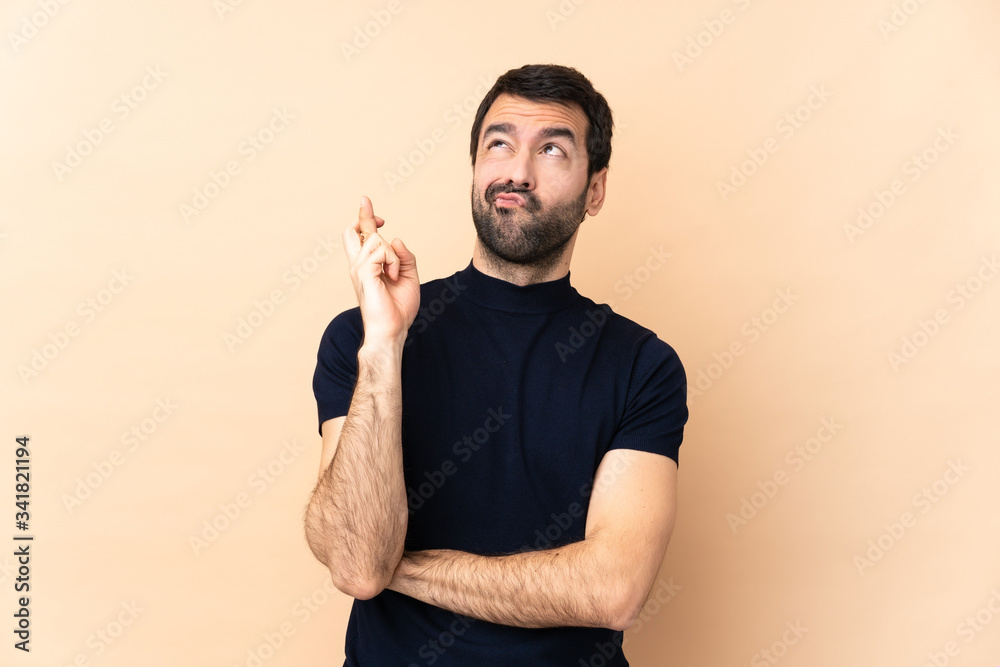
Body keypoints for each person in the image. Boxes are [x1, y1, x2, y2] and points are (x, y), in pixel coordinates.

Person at [304, 63, 688, 666]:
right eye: (499, 144)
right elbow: (356, 565)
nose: (517, 172)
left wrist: (394, 567)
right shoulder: (361, 336)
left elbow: (612, 590)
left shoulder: (643, 366)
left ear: (595, 190)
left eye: (552, 149)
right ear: (476, 168)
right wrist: (384, 345)